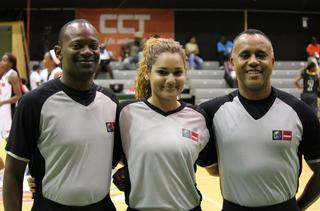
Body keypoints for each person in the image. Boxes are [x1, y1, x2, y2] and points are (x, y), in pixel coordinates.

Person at [3, 19, 120, 211]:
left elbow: (113, 159)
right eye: (77, 45)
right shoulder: (33, 103)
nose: (87, 51)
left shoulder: (110, 100)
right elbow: (13, 174)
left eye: (93, 46)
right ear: (59, 52)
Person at [200, 29, 320, 211]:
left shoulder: (300, 112)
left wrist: (299, 206)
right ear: (232, 63)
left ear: (272, 61)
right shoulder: (211, 112)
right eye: (245, 55)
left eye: (261, 55)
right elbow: (213, 168)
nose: (253, 61)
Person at [113, 37, 216, 210]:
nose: (170, 80)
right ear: (147, 72)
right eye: (162, 72)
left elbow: (212, 166)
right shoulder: (125, 113)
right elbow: (121, 157)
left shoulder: (198, 117)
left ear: (185, 73)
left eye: (177, 72)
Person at [0, 52, 22, 174]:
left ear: (11, 63)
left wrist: (3, 102)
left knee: (11, 143)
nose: (2, 62)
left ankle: (15, 171)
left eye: (4, 60)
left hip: (9, 112)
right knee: (5, 141)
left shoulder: (12, 75)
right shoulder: (4, 75)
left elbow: (19, 96)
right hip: (2, 111)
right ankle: (5, 171)